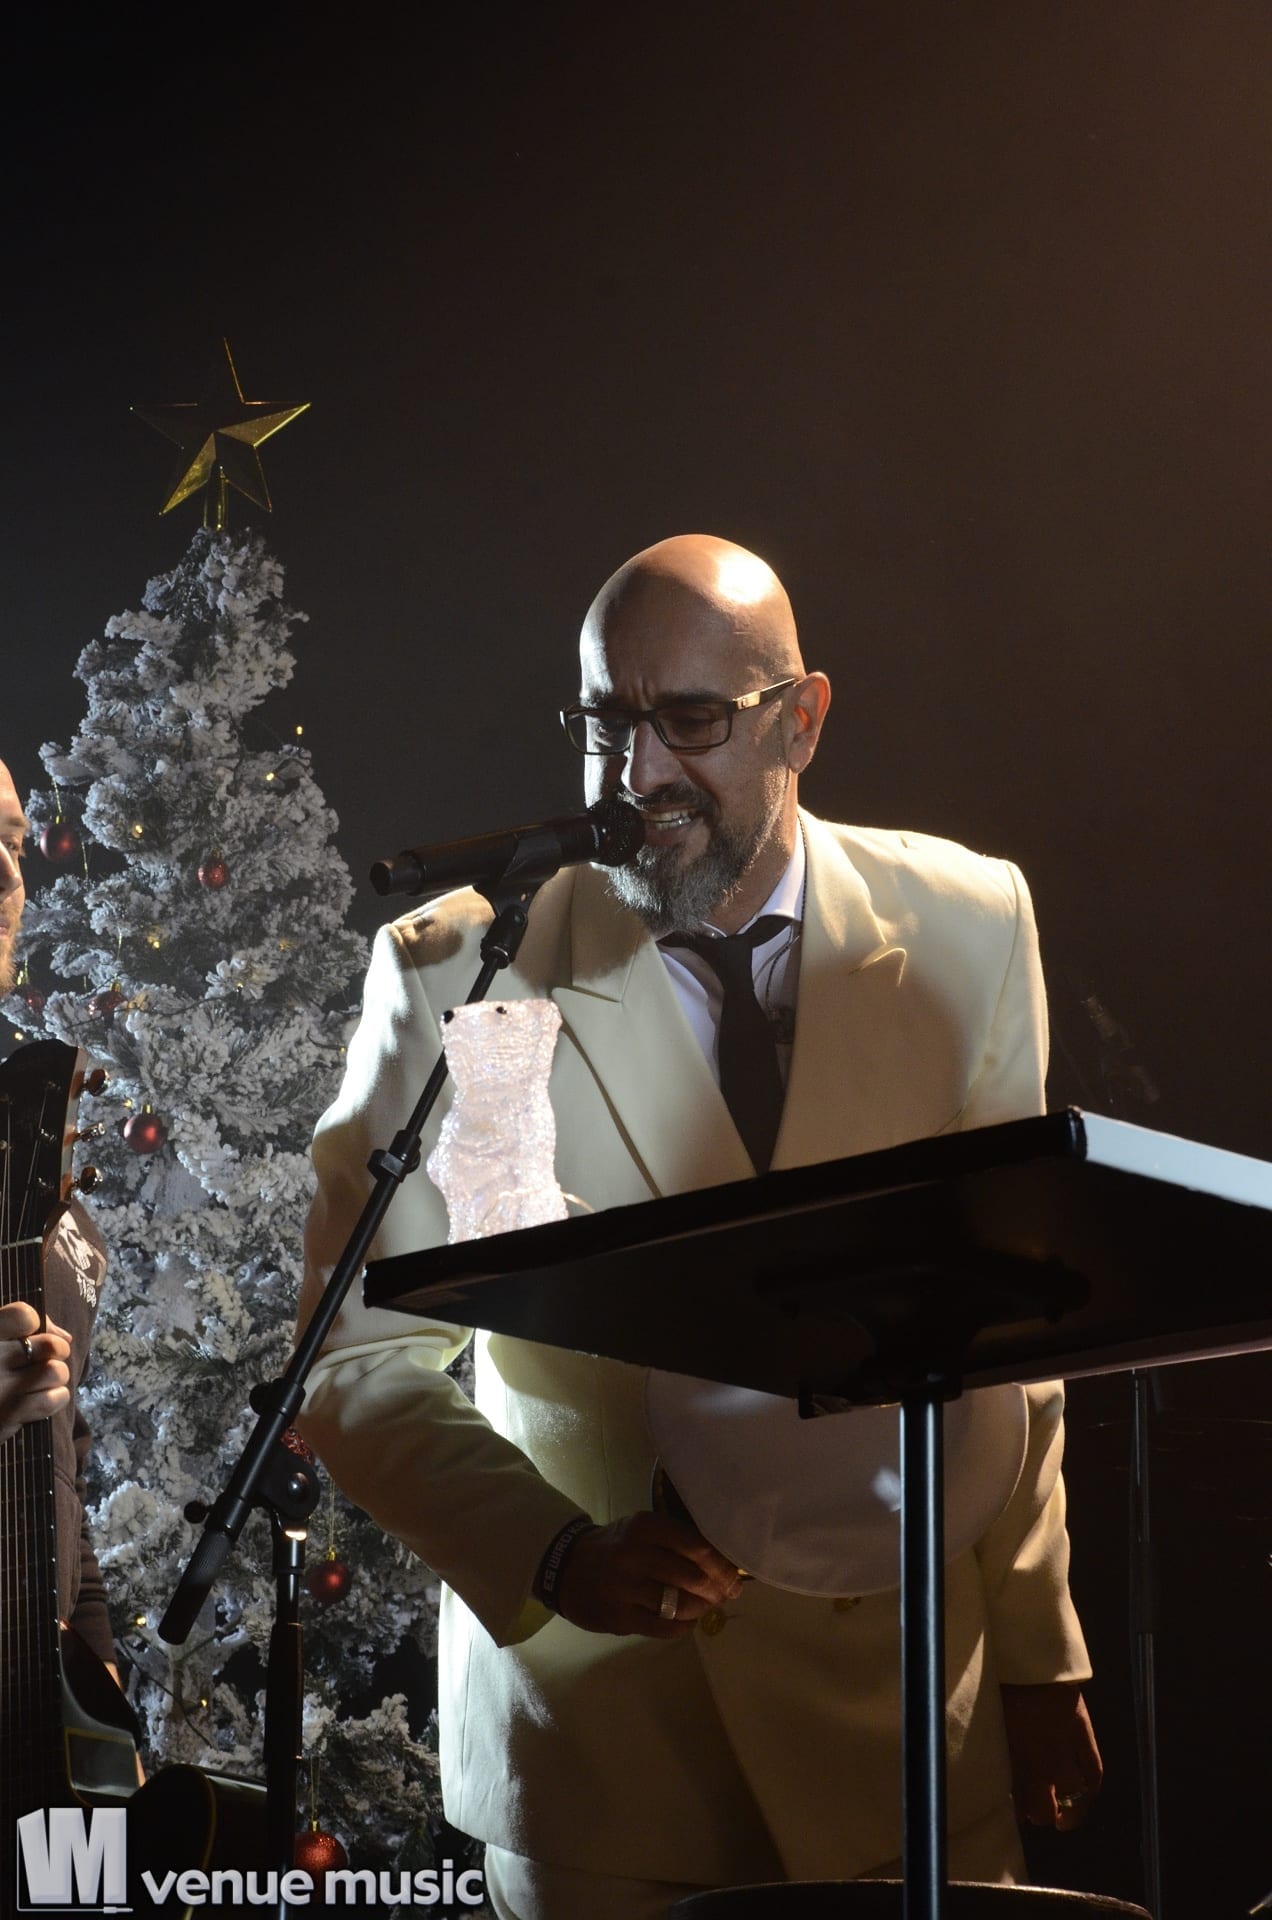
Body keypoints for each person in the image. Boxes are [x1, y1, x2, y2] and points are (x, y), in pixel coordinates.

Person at [296, 536, 1102, 1920]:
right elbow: (356, 1358)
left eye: (691, 720)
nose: (637, 774)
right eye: (606, 721)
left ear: (805, 720)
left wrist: (1039, 1658)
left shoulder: (970, 924)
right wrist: (556, 1553)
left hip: (914, 1733)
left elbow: (1010, 1335)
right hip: (616, 1764)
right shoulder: (468, 975)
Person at [1, 756, 123, 1698]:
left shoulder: (30, 1145)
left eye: (12, 843)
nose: (7, 874)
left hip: (38, 1710)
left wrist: (98, 1657)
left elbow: (62, 1447)